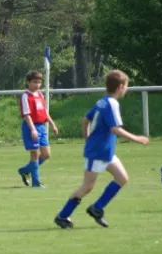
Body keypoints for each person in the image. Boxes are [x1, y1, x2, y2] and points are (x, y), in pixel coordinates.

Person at [54, 70, 149, 229]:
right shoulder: (111, 103)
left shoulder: (102, 101)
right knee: (87, 187)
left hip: (106, 151)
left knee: (122, 178)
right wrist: (137, 139)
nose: (126, 89)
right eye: (126, 86)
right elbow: (115, 129)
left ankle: (97, 208)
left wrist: (87, 136)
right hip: (97, 152)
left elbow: (85, 119)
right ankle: (62, 216)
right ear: (120, 87)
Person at [17, 70, 59, 188]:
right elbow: (26, 114)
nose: (37, 85)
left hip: (41, 127)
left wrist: (53, 125)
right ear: (28, 82)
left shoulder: (40, 94)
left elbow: (45, 112)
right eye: (35, 82)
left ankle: (25, 170)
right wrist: (32, 129)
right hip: (31, 127)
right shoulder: (26, 96)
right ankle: (36, 182)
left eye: (39, 82)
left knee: (46, 155)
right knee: (34, 155)